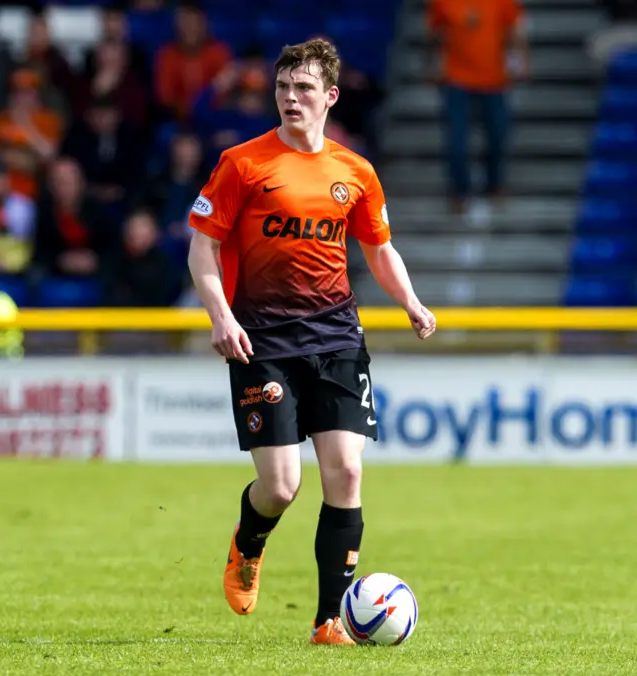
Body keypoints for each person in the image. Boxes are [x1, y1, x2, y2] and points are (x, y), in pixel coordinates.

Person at [187, 38, 436, 645]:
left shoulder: (355, 172)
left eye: (303, 89)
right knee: (280, 487)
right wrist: (220, 316)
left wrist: (410, 301)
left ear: (329, 96)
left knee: (346, 473)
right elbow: (202, 248)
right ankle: (248, 544)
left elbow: (377, 248)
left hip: (336, 336)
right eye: (282, 88)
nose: (290, 98)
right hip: (261, 340)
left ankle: (329, 621)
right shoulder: (242, 164)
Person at [426, 0, 529, 215]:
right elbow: (434, 34)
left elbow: (515, 28)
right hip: (456, 80)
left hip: (495, 80)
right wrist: (430, 64)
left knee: (498, 135)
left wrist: (521, 59)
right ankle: (459, 191)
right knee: (456, 141)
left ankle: (494, 184)